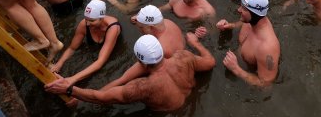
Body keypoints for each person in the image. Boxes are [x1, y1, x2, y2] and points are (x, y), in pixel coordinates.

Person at [44, 34, 216, 113]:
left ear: (141, 61)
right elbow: (210, 63)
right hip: (192, 102)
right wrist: (195, 43)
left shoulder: (142, 87)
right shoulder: (184, 57)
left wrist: (69, 89)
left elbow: (99, 97)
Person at [49, 0, 121, 86]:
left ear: (102, 18)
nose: (88, 23)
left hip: (112, 46)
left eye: (92, 20)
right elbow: (72, 48)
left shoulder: (113, 28)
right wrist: (59, 64)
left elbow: (100, 62)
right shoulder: (84, 24)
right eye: (86, 19)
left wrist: (73, 79)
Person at [217, 0, 280, 87]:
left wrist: (236, 69)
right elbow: (242, 22)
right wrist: (229, 26)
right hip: (233, 63)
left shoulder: (267, 48)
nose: (238, 10)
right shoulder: (251, 21)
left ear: (255, 13)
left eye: (244, 9)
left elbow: (265, 84)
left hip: (240, 79)